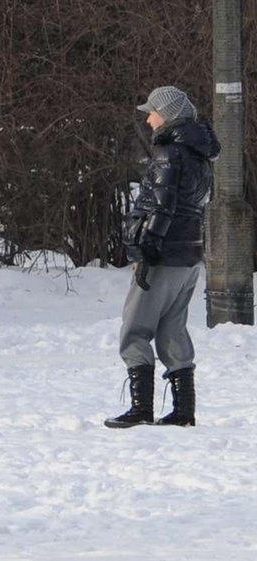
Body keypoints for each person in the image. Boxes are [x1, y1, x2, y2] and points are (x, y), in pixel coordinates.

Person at [105, 86, 220, 429]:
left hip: (163, 255)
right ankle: (184, 410)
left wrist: (147, 248)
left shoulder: (171, 153)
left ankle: (141, 409)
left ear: (167, 116)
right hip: (187, 255)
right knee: (172, 328)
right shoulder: (198, 155)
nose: (148, 117)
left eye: (152, 111)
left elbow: (162, 205)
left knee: (135, 330)